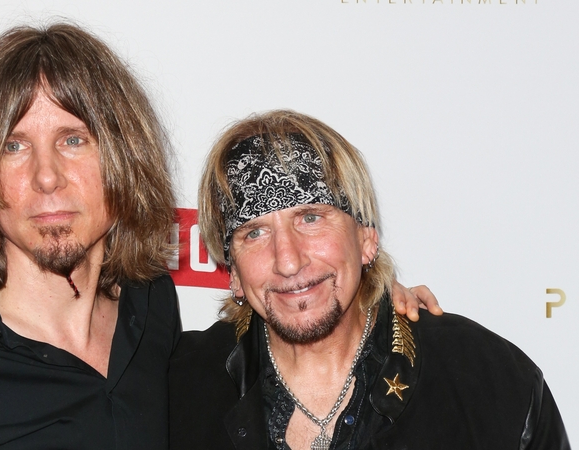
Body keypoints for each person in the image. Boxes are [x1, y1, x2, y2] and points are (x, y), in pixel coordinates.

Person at [0, 24, 439, 450]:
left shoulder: (151, 312)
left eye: (73, 139)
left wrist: (370, 296)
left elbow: (278, 338)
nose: (47, 177)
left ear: (122, 156)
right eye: (13, 145)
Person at [169, 110, 570, 449]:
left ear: (365, 238)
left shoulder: (488, 383)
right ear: (234, 272)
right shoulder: (177, 391)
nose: (288, 261)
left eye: (311, 218)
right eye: (254, 232)